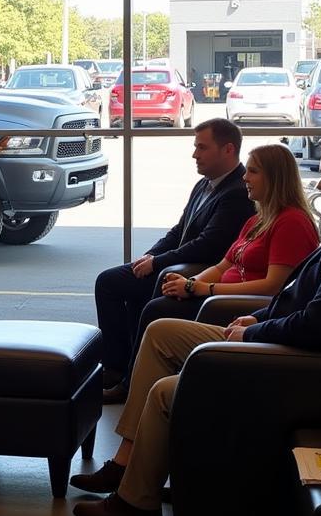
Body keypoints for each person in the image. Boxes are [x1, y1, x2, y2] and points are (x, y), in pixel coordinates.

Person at [72, 128, 321, 516]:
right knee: (162, 331)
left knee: (165, 391)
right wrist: (259, 320)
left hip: (303, 364)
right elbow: (314, 304)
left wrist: (255, 333)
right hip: (283, 337)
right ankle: (127, 463)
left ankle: (135, 500)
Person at [95, 118, 254, 404]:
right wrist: (151, 255)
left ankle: (121, 372)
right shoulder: (204, 185)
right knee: (124, 283)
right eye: (195, 147)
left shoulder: (237, 194)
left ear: (228, 149)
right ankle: (120, 367)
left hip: (195, 272)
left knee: (108, 283)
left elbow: (208, 246)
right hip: (174, 264)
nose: (195, 154)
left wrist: (158, 264)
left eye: (202, 147)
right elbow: (179, 231)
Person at [127, 142, 321, 361]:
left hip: (234, 305)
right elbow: (224, 266)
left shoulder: (292, 222)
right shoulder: (256, 220)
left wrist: (203, 288)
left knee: (157, 311)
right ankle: (133, 376)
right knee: (161, 300)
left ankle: (133, 381)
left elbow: (274, 286)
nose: (245, 178)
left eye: (253, 171)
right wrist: (189, 283)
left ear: (275, 178)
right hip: (218, 295)